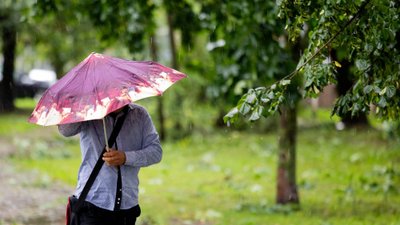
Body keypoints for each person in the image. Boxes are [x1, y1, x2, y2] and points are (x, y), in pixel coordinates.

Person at [58, 104, 162, 225]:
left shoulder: (140, 114)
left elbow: (156, 152)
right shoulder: (88, 111)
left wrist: (126, 157)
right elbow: (66, 130)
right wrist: (82, 105)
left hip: (127, 206)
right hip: (92, 202)